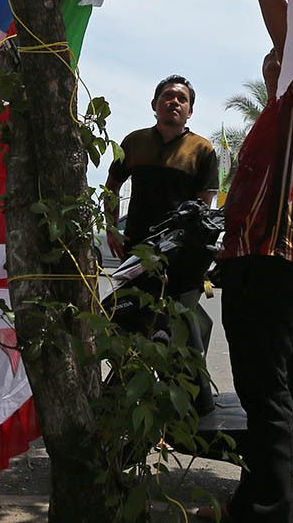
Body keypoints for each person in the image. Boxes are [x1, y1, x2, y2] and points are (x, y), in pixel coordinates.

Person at [204, 0, 293, 523]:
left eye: (282, 56)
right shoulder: (268, 117)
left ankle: (268, 511)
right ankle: (247, 503)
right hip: (249, 258)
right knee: (255, 390)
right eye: (271, 60)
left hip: (281, 257)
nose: (275, 63)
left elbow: (290, 39)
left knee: (267, 391)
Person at [105, 74, 219, 413]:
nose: (175, 102)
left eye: (182, 99)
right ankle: (119, 399)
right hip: (136, 253)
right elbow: (111, 187)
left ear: (190, 111)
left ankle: (194, 409)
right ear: (155, 105)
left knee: (178, 330)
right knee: (126, 322)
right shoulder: (134, 142)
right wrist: (112, 228)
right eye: (168, 96)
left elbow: (204, 208)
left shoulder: (202, 150)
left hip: (180, 259)